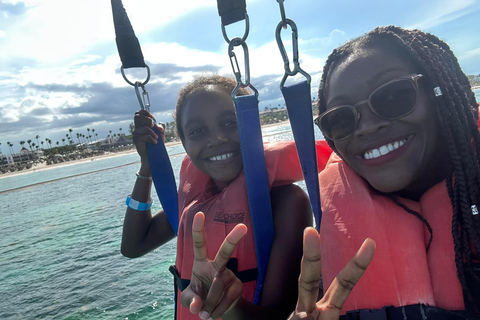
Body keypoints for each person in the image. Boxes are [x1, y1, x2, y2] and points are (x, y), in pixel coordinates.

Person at [288, 26, 480, 319]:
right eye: (340, 118)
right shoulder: (324, 237)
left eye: (393, 96)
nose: (366, 127)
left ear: (439, 91)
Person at [120, 75, 329, 319]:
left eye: (230, 123)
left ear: (252, 125)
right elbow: (134, 246)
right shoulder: (194, 202)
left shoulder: (287, 203)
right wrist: (147, 166)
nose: (216, 138)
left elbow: (278, 314)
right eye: (198, 131)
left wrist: (226, 305)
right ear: (185, 144)